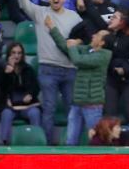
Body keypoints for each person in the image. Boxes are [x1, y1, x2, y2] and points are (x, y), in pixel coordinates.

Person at [18, 0, 82, 141]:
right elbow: (25, 4)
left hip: (70, 69)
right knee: (49, 108)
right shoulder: (41, 12)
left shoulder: (74, 17)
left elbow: (81, 38)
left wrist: (77, 42)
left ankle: (71, 144)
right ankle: (46, 147)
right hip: (48, 69)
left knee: (72, 108)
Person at [46, 17, 112, 146]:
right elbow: (66, 47)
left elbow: (77, 60)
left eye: (97, 35)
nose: (93, 35)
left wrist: (73, 46)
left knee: (96, 139)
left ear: (102, 43)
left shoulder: (104, 55)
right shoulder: (88, 50)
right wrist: (52, 29)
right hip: (78, 102)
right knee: (70, 139)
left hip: (92, 103)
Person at [0, 42, 42, 144]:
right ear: (9, 54)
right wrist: (9, 72)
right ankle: (4, 144)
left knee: (35, 113)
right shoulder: (3, 70)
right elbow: (1, 88)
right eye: (13, 53)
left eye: (19, 53)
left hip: (27, 105)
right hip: (11, 105)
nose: (16, 55)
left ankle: (36, 142)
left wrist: (30, 94)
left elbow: (36, 87)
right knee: (6, 114)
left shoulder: (28, 69)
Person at [103, 9, 129, 122]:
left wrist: (125, 70)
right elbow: (105, 58)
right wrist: (115, 67)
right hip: (111, 79)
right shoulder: (108, 37)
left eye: (114, 17)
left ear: (122, 21)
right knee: (109, 115)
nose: (111, 19)